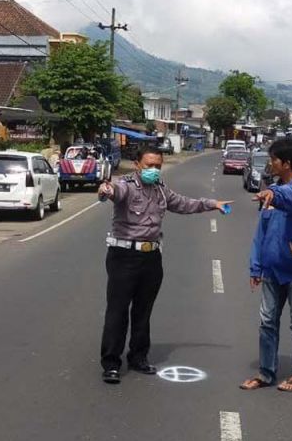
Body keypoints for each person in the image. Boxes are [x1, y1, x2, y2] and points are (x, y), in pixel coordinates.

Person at [96, 146, 232, 385]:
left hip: (151, 257)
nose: (154, 170)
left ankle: (138, 357)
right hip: (124, 256)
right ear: (137, 165)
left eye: (157, 166)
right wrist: (106, 190)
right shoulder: (126, 184)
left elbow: (184, 203)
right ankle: (111, 363)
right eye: (149, 165)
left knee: (143, 311)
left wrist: (213, 203)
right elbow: (114, 191)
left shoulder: (160, 190)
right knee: (118, 310)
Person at [240, 136, 292, 393]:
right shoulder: (271, 192)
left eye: (274, 159)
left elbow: (289, 197)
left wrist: (273, 193)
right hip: (271, 270)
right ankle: (266, 373)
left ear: (286, 163)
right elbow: (261, 233)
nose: (270, 163)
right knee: (267, 322)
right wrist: (255, 267)